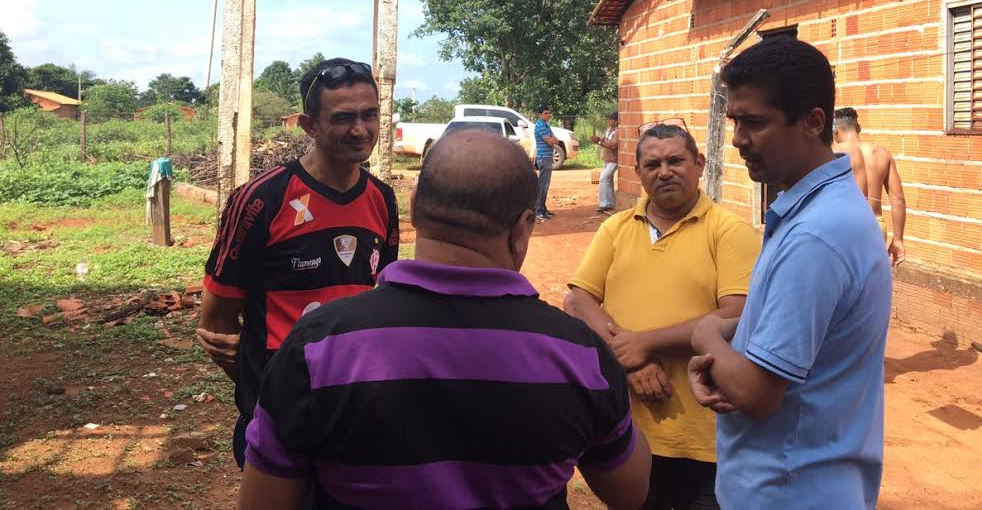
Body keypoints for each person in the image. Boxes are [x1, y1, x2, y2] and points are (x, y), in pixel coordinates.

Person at [237, 130, 652, 510]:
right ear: (523, 228)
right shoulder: (577, 354)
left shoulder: (317, 347)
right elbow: (630, 492)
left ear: (414, 208)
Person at [688, 37, 891, 509]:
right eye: (735, 121)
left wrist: (707, 338)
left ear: (813, 122)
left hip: (788, 488)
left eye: (755, 122)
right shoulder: (821, 212)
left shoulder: (815, 237)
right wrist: (734, 343)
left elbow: (757, 394)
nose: (738, 138)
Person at [196, 58, 399, 470]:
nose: (360, 130)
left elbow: (382, 300)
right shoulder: (260, 200)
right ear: (310, 126)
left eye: (369, 115)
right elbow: (215, 323)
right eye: (343, 118)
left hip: (355, 412)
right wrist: (272, 387)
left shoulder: (382, 199)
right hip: (281, 422)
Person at [565, 123, 760, 510]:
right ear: (638, 173)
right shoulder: (615, 228)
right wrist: (630, 358)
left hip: (706, 441)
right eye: (652, 164)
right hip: (629, 435)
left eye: (676, 161)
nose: (664, 171)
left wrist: (645, 343)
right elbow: (578, 300)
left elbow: (736, 314)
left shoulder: (729, 231)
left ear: (699, 164)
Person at [834, 106, 907, 265]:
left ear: (836, 132)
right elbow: (898, 199)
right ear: (858, 128)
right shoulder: (882, 153)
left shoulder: (836, 152)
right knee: (871, 284)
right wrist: (898, 239)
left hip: (847, 227)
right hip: (876, 225)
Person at [534, 104, 560, 221]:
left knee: (545, 184)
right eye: (545, 113)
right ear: (540, 114)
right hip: (543, 157)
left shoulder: (546, 125)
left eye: (549, 113)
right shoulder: (540, 126)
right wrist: (552, 140)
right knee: (543, 184)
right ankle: (539, 210)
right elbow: (551, 141)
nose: (548, 115)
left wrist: (553, 140)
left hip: (547, 157)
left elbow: (556, 140)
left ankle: (543, 208)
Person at [590, 111, 619, 214]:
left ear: (616, 121)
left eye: (611, 120)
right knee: (608, 181)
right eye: (609, 119)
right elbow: (602, 140)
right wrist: (597, 139)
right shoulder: (608, 130)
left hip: (614, 160)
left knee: (603, 179)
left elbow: (614, 146)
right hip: (607, 159)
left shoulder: (618, 132)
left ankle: (603, 204)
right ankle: (610, 204)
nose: (609, 122)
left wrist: (600, 142)